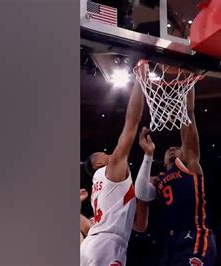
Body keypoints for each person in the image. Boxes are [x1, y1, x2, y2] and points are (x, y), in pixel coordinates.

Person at [134, 88, 217, 266]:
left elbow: (189, 114)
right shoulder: (160, 180)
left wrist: (188, 83)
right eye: (168, 150)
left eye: (177, 148)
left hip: (195, 235)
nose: (172, 149)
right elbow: (141, 193)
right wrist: (148, 154)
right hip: (172, 242)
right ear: (163, 161)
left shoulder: (189, 165)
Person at [80, 64, 147, 266]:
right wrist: (140, 80)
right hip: (107, 244)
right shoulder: (111, 171)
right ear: (99, 163)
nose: (113, 153)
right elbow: (131, 124)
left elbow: (140, 226)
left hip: (95, 244)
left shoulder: (103, 186)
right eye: (105, 154)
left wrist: (142, 193)